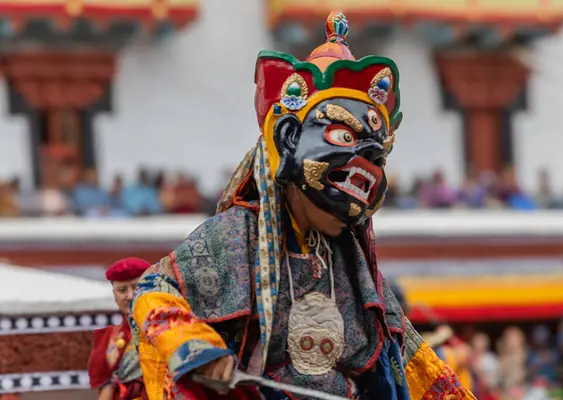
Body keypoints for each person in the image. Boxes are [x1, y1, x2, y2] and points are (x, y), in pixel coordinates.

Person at [130, 11, 475, 400]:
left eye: (378, 156)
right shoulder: (237, 236)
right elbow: (154, 291)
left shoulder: (353, 259)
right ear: (288, 138)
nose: (369, 163)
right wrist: (199, 350)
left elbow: (408, 359)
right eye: (344, 136)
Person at [88, 257, 152, 399]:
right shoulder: (109, 339)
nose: (130, 296)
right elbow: (107, 388)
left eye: (136, 287)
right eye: (122, 290)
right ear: (114, 295)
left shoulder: (169, 326)